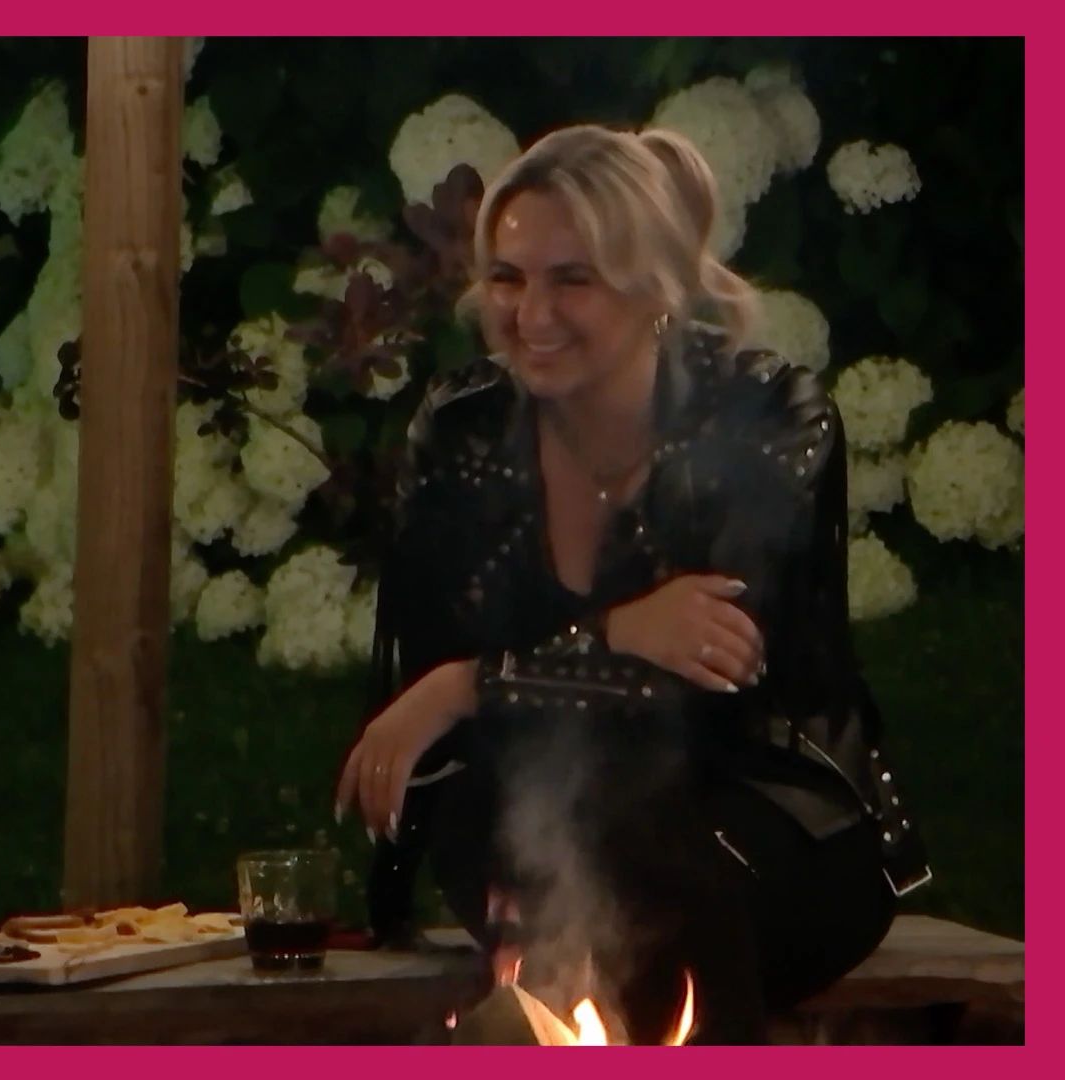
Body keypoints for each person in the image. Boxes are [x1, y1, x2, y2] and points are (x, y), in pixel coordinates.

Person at [334, 124, 932, 1045]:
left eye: (573, 279)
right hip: (529, 813)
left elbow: (717, 677)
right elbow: (434, 688)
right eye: (508, 277)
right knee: (582, 852)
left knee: (654, 875)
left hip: (762, 813)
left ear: (654, 288)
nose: (531, 314)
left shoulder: (771, 415)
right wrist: (613, 636)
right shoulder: (463, 430)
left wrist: (475, 684)